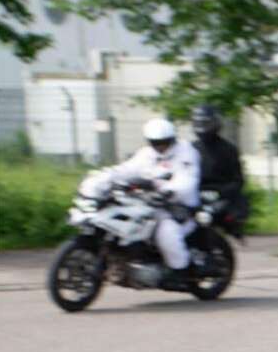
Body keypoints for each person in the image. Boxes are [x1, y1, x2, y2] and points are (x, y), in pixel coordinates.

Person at [84, 118, 200, 281]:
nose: (160, 146)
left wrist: (168, 191)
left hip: (179, 206)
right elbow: (126, 170)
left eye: (164, 142)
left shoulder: (185, 151)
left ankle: (180, 270)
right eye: (156, 142)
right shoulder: (146, 154)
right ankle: (134, 259)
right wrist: (103, 179)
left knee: (166, 233)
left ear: (172, 138)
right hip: (151, 203)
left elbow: (187, 179)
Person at [191, 105, 248, 234]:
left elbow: (238, 180)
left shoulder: (228, 149)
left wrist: (220, 192)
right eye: (199, 123)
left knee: (232, 215)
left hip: (221, 196)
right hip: (195, 195)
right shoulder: (190, 149)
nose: (202, 127)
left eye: (206, 123)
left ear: (215, 122)